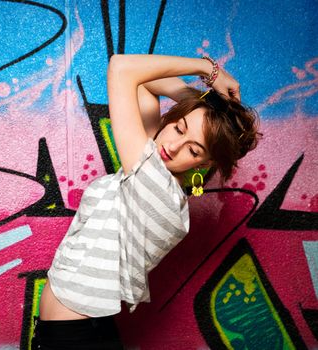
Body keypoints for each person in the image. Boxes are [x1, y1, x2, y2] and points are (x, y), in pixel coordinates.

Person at [33, 54, 261, 349]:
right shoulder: (155, 170)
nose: (173, 146)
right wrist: (203, 105)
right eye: (179, 128)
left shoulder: (154, 185)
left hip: (75, 339)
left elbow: (122, 68)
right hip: (82, 331)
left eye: (193, 150)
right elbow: (146, 85)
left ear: (204, 164)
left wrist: (207, 69)